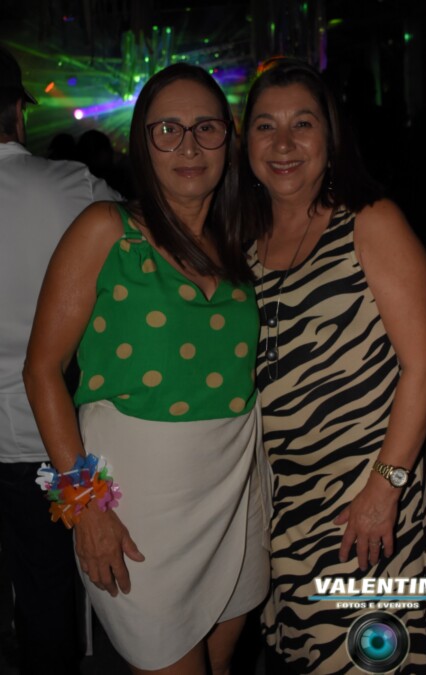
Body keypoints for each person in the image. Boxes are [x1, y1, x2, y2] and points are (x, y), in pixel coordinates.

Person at [23, 63, 271, 675]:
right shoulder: (106, 230)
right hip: (138, 509)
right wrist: (86, 507)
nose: (189, 146)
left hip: (236, 491)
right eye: (168, 129)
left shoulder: (241, 243)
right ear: (142, 142)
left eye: (206, 127)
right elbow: (42, 370)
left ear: (229, 139)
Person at [240, 57, 426, 673]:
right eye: (265, 126)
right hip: (291, 512)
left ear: (330, 137)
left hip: (368, 509)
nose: (283, 143)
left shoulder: (369, 221)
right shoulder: (244, 246)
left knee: (371, 659)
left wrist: (383, 491)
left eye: (302, 124)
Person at [0, 44, 121, 675]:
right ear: (18, 113)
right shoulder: (75, 187)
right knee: (48, 599)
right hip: (43, 444)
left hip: (40, 443)